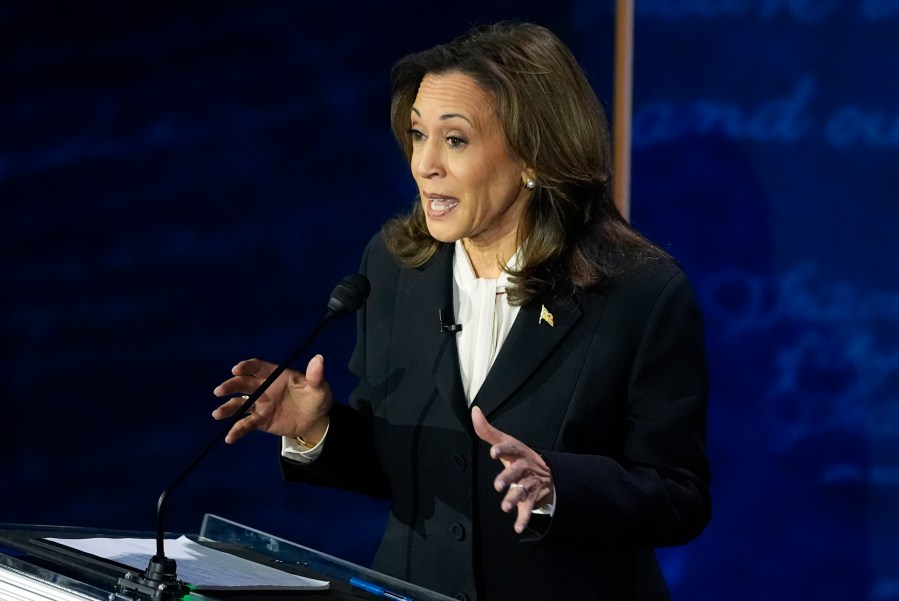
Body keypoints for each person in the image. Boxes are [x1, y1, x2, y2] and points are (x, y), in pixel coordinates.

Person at [212, 21, 710, 601]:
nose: (425, 164)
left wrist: (559, 487)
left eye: (455, 140)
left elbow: (681, 496)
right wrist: (316, 428)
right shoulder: (395, 268)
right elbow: (394, 464)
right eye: (417, 134)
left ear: (534, 156)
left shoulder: (636, 293)